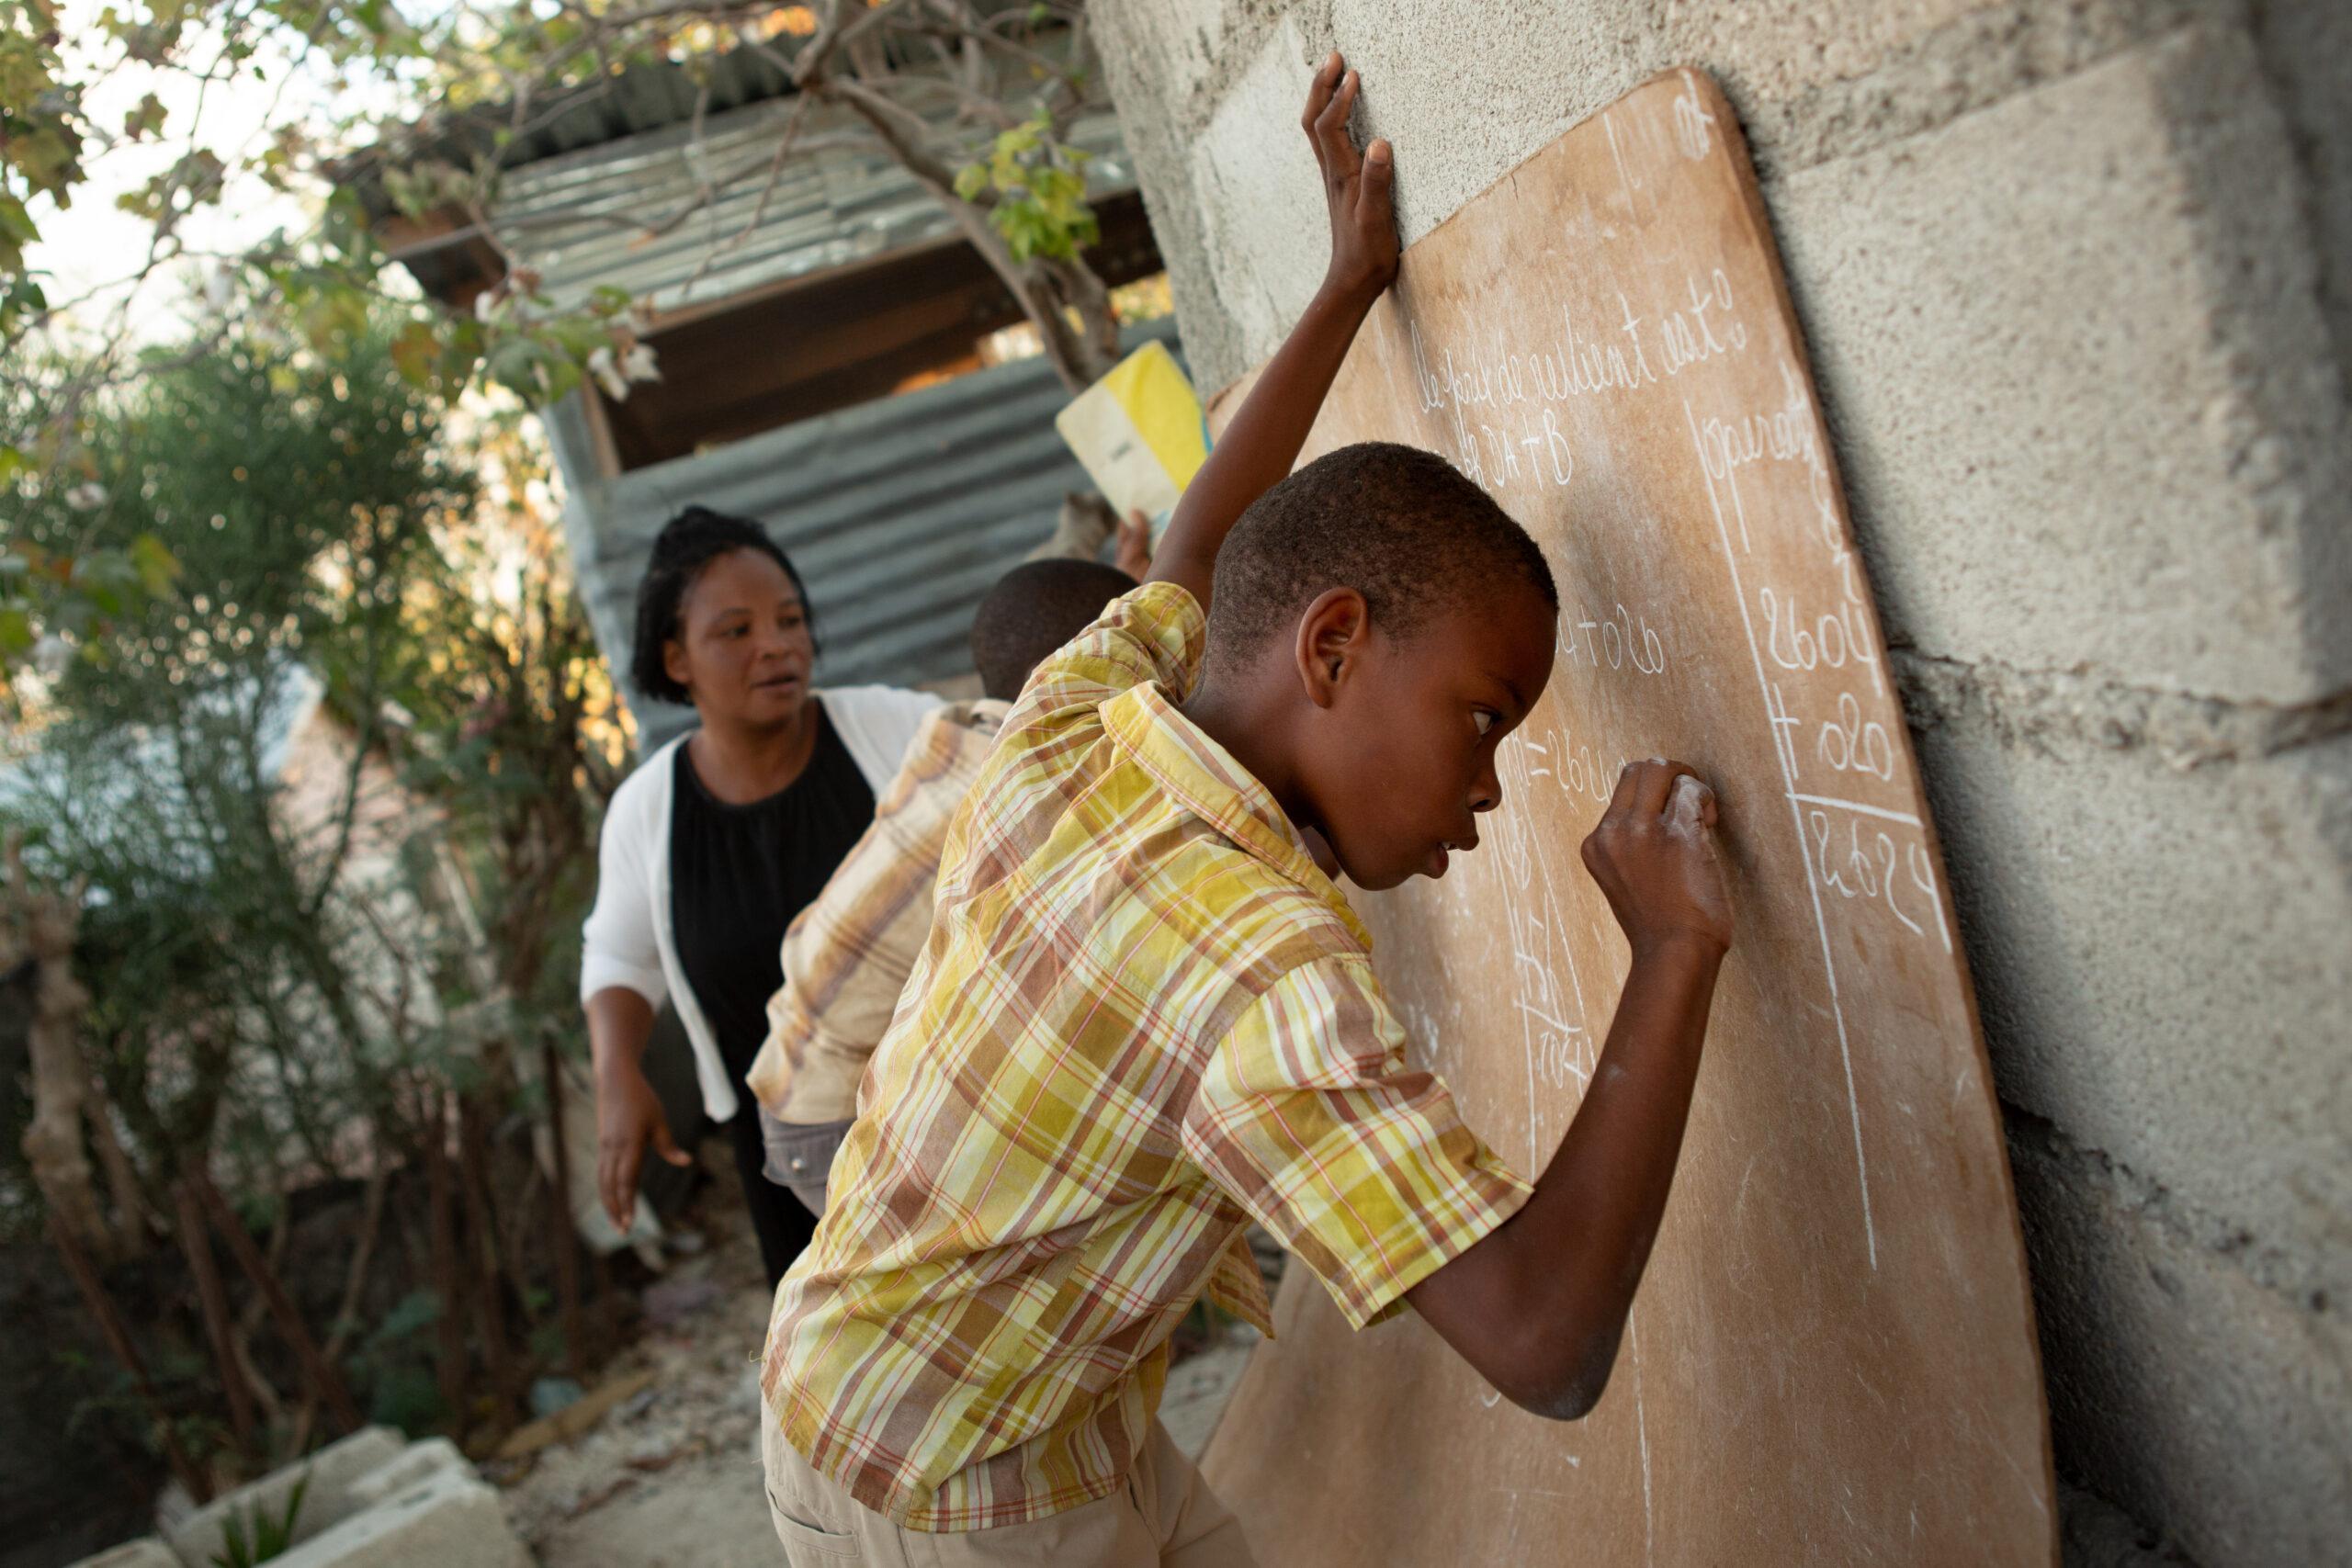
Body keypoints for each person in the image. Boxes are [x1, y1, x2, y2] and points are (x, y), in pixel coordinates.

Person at [757, 53, 1735, 1567]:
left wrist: (1349, 285)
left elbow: (1207, 539)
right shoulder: (1260, 970)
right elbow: (1547, 1341)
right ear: (1333, 643)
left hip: (954, 1399)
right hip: (942, 1494)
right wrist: (1671, 953)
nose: (1487, 792)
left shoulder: (1088, 715)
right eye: (1482, 720)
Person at [579, 506, 941, 1289]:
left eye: (790, 619)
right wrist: (617, 1075)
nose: (777, 644)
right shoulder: (649, 810)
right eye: (735, 631)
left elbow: (1012, 757)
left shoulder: (890, 731)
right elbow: (617, 954)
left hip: (946, 1113)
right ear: (676, 659)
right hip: (788, 1165)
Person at [744, 555, 1146, 1219]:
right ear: (1090, 677)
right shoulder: (1024, 793)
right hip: (840, 1116)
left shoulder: (958, 731)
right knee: (992, 1268)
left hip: (798, 1074)